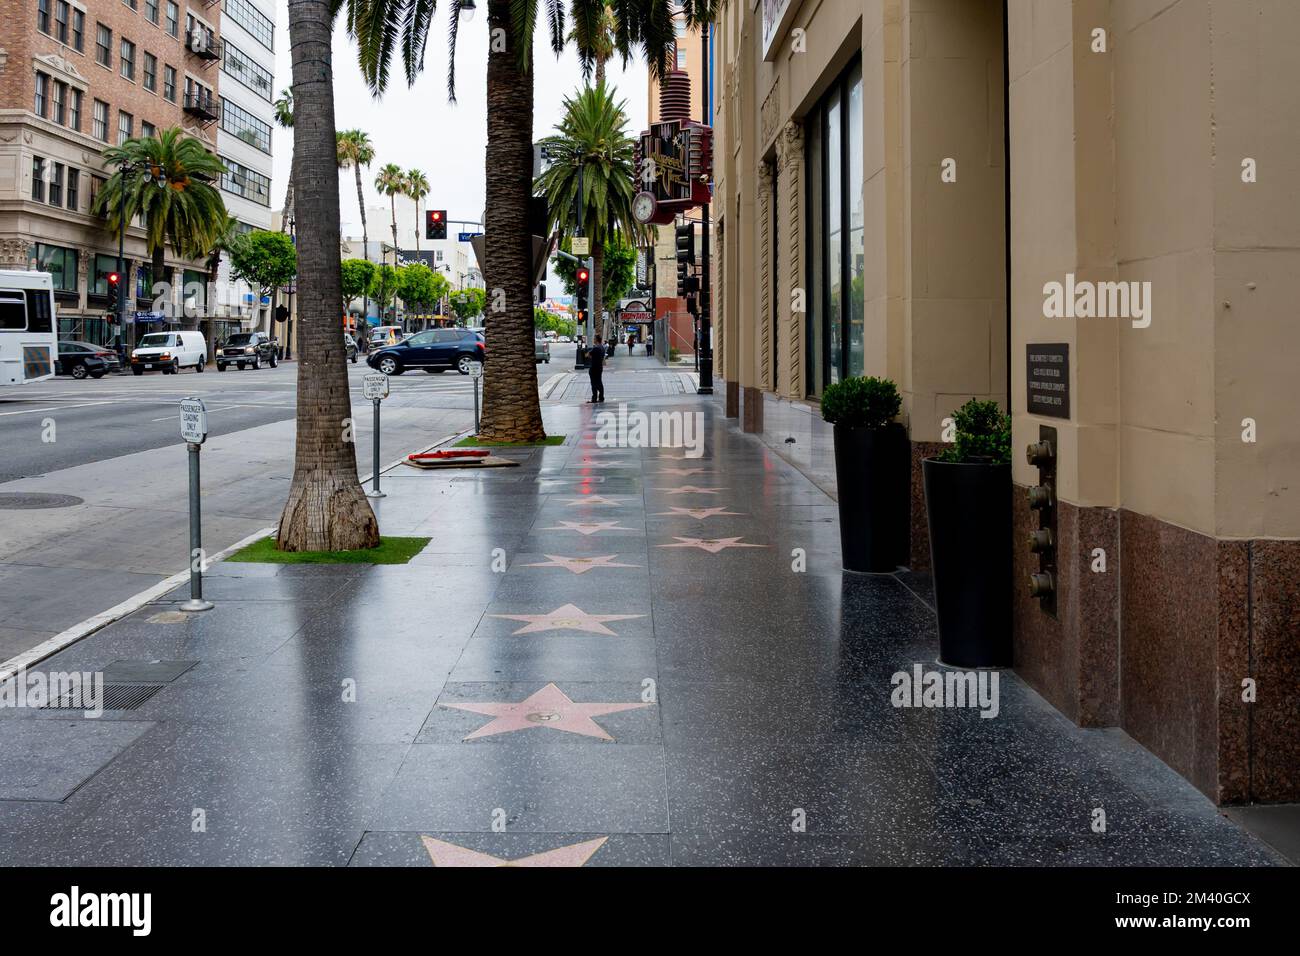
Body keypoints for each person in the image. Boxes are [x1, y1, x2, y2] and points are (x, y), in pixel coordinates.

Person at [588, 335, 605, 403]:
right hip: (600, 367)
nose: (593, 340)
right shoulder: (602, 348)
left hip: (594, 367)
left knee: (594, 383)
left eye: (594, 339)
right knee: (599, 382)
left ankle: (594, 398)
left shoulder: (596, 348)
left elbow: (588, 355)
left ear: (597, 340)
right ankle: (601, 397)